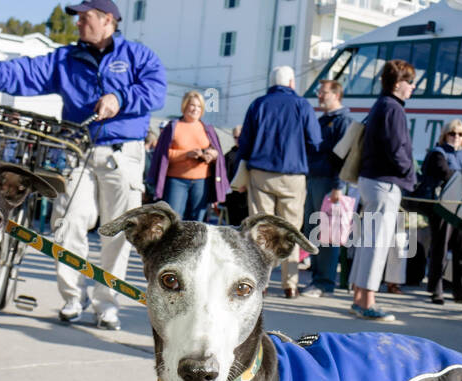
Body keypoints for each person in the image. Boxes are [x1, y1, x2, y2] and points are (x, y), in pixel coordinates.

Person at [0, 0, 166, 331]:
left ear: (108, 21)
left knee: (119, 231)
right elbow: (27, 71)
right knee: (67, 222)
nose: (78, 22)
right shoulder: (66, 59)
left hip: (122, 152)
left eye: (85, 17)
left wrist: (121, 97)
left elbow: (156, 91)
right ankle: (73, 297)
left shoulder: (138, 55)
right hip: (77, 149)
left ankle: (107, 304)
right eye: (78, 17)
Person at [235, 66, 321, 298]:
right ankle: (290, 284)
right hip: (293, 175)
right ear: (292, 82)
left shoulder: (258, 104)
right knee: (290, 230)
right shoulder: (302, 105)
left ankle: (260, 282)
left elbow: (244, 142)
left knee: (261, 229)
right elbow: (315, 140)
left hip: (261, 172)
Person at [349, 60, 417, 321]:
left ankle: (359, 297)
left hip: (370, 180)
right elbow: (397, 149)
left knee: (368, 241)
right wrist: (409, 173)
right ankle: (368, 300)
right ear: (398, 83)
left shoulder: (380, 105)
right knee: (377, 245)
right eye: (410, 82)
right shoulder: (394, 109)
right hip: (385, 183)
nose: (412, 87)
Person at [301, 80, 353, 297]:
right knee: (314, 230)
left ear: (336, 94)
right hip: (314, 179)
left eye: (323, 93)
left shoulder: (343, 122)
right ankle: (317, 277)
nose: (319, 96)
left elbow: (344, 156)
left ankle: (325, 282)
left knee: (328, 233)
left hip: (329, 184)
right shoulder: (322, 120)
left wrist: (338, 186)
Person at [147, 90, 229, 222]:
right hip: (176, 181)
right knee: (173, 220)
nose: (195, 109)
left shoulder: (207, 128)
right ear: (185, 106)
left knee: (196, 222)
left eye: (199, 106)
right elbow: (162, 154)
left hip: (202, 182)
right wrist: (186, 154)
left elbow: (216, 151)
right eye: (192, 105)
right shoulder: (173, 127)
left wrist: (211, 154)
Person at [421, 119, 462, 304]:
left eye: (460, 134)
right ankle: (436, 289)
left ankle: (460, 291)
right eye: (452, 133)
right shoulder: (438, 153)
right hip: (443, 207)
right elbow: (445, 172)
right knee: (440, 248)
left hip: (461, 207)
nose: (456, 137)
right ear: (445, 135)